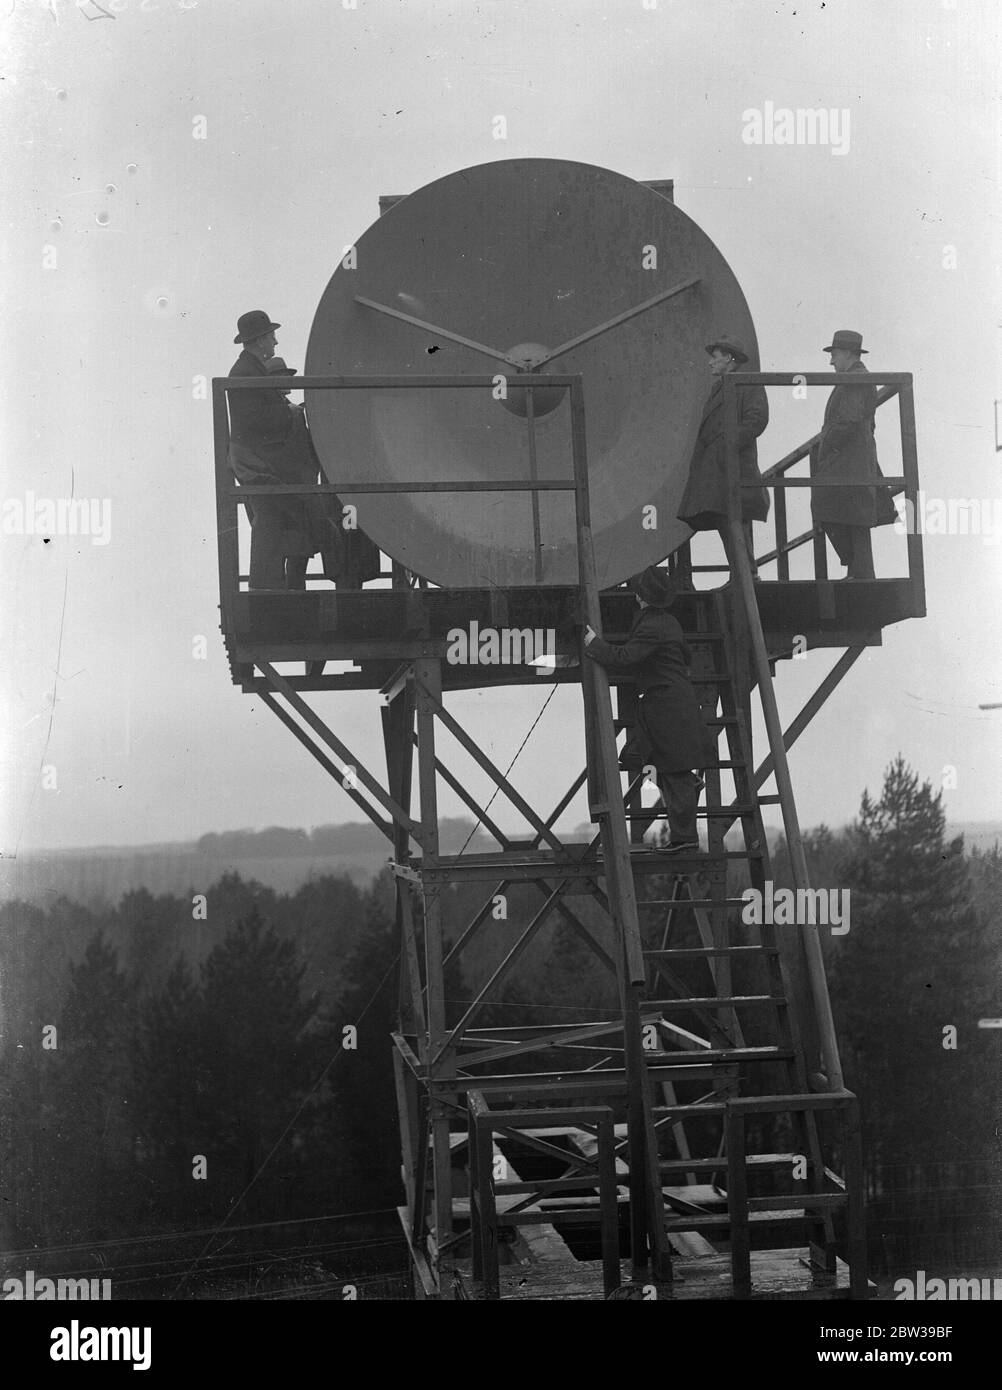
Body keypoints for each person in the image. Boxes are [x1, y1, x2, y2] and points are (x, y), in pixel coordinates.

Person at [583, 565, 714, 853]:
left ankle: (685, 837)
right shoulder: (667, 623)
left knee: (670, 767)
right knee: (641, 757)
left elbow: (624, 657)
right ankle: (688, 796)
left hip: (666, 707)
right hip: (668, 704)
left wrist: (594, 643)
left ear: (640, 597)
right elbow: (685, 656)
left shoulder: (652, 626)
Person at [677, 334, 769, 577]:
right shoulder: (719, 388)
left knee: (735, 520)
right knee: (726, 521)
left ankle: (746, 574)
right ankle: (741, 574)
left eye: (714, 358)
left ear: (728, 358)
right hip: (716, 469)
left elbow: (757, 419)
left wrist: (728, 444)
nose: (709, 363)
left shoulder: (747, 385)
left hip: (733, 467)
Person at [811, 329, 896, 579]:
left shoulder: (857, 380)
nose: (831, 361)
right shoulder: (855, 378)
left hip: (848, 457)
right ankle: (858, 570)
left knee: (837, 509)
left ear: (848, 354)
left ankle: (859, 570)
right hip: (849, 458)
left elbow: (847, 421)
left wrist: (825, 445)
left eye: (835, 354)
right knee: (849, 512)